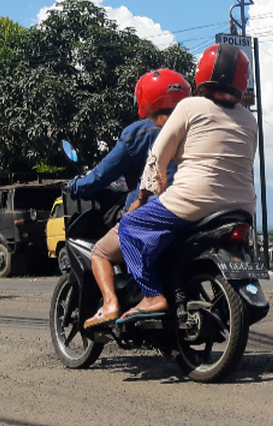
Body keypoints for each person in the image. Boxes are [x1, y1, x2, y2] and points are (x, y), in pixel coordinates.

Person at [115, 44, 257, 322]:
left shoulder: (189, 106)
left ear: (202, 75)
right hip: (242, 207)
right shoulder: (249, 119)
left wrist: (142, 197)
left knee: (130, 226)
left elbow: (157, 157)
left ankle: (152, 295)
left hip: (192, 201)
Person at [72, 69, 191, 329]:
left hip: (157, 209)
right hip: (194, 207)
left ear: (146, 100)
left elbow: (102, 175)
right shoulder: (193, 127)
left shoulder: (138, 133)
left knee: (100, 252)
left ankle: (110, 305)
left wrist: (76, 186)